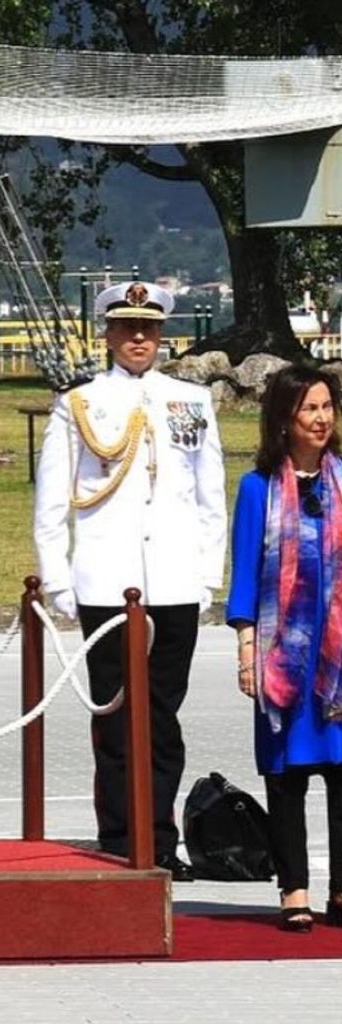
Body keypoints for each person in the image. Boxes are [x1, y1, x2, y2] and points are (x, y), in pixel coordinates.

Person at [33, 280, 227, 881]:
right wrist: (57, 577)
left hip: (171, 579)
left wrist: (206, 577)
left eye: (148, 327)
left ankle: (160, 839)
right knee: (115, 716)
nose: (138, 338)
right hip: (105, 578)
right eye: (126, 327)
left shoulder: (190, 400)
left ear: (162, 334)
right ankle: (120, 834)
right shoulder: (81, 403)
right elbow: (52, 498)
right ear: (108, 334)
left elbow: (208, 495)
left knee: (163, 716)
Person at [227, 364, 342, 932]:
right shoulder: (258, 489)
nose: (320, 419)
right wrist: (247, 647)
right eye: (309, 409)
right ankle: (293, 888)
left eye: (327, 407)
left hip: (339, 661)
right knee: (287, 776)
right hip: (283, 654)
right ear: (284, 420)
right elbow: (246, 574)